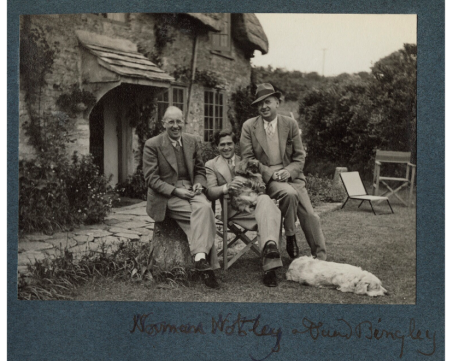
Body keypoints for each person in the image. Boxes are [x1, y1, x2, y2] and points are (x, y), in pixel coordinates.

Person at [240, 83, 327, 261]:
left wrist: (288, 171)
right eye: (259, 104)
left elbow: (300, 156)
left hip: (292, 177)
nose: (263, 107)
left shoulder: (290, 124)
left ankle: (320, 257)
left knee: (310, 215)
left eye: (268, 102)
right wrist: (270, 174)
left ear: (277, 102)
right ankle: (290, 235)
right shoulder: (249, 126)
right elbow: (248, 159)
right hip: (267, 179)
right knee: (289, 194)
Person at [143, 106, 220, 288]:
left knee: (205, 208)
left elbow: (200, 170)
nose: (175, 126)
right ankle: (208, 267)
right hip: (167, 194)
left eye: (179, 121)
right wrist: (176, 191)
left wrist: (199, 183)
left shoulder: (191, 141)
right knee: (202, 217)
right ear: (164, 124)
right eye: (171, 122)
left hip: (191, 189)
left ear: (183, 123)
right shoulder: (153, 144)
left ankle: (200, 258)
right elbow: (151, 179)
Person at [205, 129, 283, 287]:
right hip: (233, 210)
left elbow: (262, 184)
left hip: (256, 205)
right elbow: (211, 192)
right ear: (216, 147)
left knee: (266, 200)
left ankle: (270, 263)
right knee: (269, 215)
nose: (226, 148)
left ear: (235, 145)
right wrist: (227, 187)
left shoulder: (247, 161)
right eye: (222, 145)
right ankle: (270, 260)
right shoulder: (211, 165)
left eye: (229, 144)